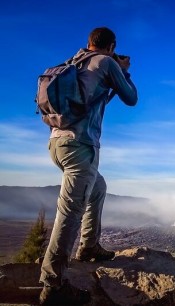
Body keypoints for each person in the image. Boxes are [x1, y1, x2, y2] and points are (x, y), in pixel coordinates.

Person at [39, 27, 138, 305]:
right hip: (80, 146)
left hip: (57, 145)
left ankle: (89, 246)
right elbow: (131, 98)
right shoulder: (106, 62)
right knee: (70, 212)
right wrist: (124, 69)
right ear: (112, 46)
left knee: (98, 187)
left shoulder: (75, 62)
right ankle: (52, 286)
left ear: (88, 43)